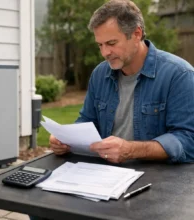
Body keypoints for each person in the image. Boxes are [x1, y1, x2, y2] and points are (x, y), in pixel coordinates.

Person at [30, 0, 194, 219]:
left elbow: (187, 140)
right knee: (39, 208)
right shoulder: (100, 74)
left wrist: (130, 149)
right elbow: (86, 120)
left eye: (111, 43)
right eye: (100, 45)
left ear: (136, 34)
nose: (104, 52)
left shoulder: (178, 75)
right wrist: (64, 138)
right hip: (104, 176)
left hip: (154, 183)